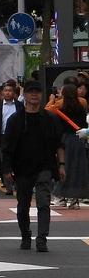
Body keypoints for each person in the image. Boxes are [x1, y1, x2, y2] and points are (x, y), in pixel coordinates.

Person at [2, 81, 65, 252]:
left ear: (42, 95)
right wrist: (6, 170)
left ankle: (42, 239)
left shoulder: (50, 119)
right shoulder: (16, 119)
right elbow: (6, 148)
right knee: (23, 205)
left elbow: (59, 144)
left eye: (37, 92)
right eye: (31, 92)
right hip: (21, 168)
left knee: (44, 203)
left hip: (45, 166)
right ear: (25, 95)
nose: (34, 95)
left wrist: (61, 165)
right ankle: (25, 234)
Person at [51, 81, 89, 209]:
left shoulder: (59, 108)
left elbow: (49, 113)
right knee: (77, 169)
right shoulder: (82, 106)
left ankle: (61, 197)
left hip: (65, 140)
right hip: (79, 139)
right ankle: (75, 200)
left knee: (63, 167)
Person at [0, 81, 23, 193]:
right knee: (4, 161)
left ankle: (18, 185)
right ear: (2, 92)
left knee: (18, 161)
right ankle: (8, 187)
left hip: (17, 136)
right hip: (2, 137)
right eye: (6, 91)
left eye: (10, 91)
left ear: (14, 93)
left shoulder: (19, 105)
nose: (8, 93)